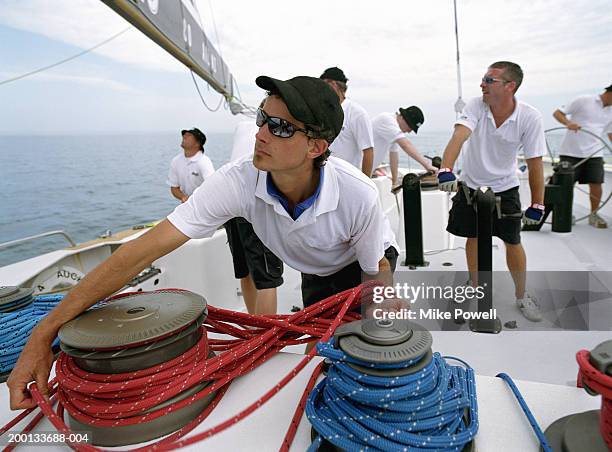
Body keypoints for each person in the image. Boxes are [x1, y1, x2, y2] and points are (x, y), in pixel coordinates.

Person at [8, 75, 399, 410]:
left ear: (316, 147)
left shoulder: (357, 195)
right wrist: (46, 330)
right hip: (314, 268)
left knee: (353, 362)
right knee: (319, 355)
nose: (260, 134)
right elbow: (140, 252)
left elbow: (375, 275)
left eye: (280, 128)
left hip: (366, 265)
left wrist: (383, 347)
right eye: (263, 117)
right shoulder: (238, 181)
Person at [437, 61, 546, 322]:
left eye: (489, 80)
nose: (482, 84)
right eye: (483, 79)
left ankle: (521, 295)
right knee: (472, 238)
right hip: (470, 186)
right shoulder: (476, 106)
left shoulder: (530, 117)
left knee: (513, 242)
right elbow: (459, 137)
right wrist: (445, 169)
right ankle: (474, 286)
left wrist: (538, 204)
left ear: (510, 86)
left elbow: (535, 163)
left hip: (506, 188)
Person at [224, 117, 284, 315]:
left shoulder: (242, 126)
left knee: (246, 273)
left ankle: (253, 331)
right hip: (256, 207)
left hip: (231, 205)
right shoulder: (279, 131)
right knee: (267, 281)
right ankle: (265, 342)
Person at [553, 84, 612, 228]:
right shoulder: (584, 100)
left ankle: (593, 214)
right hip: (570, 152)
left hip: (594, 152)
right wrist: (568, 123)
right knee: (567, 184)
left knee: (597, 183)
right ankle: (565, 212)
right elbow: (558, 113)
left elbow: (610, 133)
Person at [320, 67, 375, 177]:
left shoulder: (357, 113)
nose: (320, 90)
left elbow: (368, 151)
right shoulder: (323, 111)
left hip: (348, 180)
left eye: (323, 85)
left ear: (333, 84)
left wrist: (366, 183)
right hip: (324, 178)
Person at [371, 106, 438, 187]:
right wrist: (427, 165)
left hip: (365, 171)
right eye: (410, 127)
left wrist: (394, 183)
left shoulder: (393, 131)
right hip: (356, 169)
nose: (409, 131)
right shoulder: (387, 120)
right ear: (403, 117)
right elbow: (405, 145)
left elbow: (394, 156)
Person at [167, 127, 214, 203]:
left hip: (205, 204)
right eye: (184, 134)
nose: (184, 136)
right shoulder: (176, 161)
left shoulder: (204, 162)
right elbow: (174, 188)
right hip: (187, 205)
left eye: (189, 135)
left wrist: (196, 202)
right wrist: (183, 197)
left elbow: (212, 187)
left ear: (197, 143)